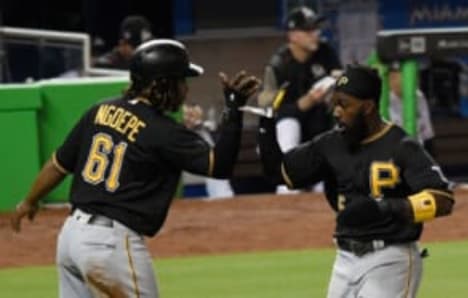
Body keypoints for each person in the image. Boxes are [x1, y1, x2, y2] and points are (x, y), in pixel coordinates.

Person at [11, 39, 260, 298]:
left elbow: (58, 164)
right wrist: (234, 110)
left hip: (71, 238)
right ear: (160, 84)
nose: (185, 89)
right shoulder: (162, 131)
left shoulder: (100, 110)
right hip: (110, 245)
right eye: (180, 81)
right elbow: (219, 166)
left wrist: (29, 201)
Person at [258, 65, 455, 297]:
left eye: (344, 104)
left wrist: (387, 208)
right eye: (334, 103)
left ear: (368, 107)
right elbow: (278, 173)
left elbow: (442, 199)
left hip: (392, 258)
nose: (336, 111)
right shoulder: (329, 145)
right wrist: (267, 119)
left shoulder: (402, 146)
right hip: (344, 258)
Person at [258, 5, 342, 194]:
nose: (316, 34)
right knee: (288, 125)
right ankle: (286, 188)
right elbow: (271, 112)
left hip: (320, 128)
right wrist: (307, 102)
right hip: (287, 138)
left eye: (316, 28)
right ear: (293, 35)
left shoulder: (326, 53)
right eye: (309, 30)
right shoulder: (278, 66)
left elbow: (340, 80)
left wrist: (339, 83)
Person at [182, 103, 235, 199]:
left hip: (215, 188)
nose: (190, 118)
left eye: (193, 115)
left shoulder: (205, 129)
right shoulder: (175, 132)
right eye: (187, 115)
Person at [388, 61, 435, 155]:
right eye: (393, 77)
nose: (396, 81)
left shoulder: (419, 97)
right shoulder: (382, 101)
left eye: (416, 75)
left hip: (417, 154)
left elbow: (427, 134)